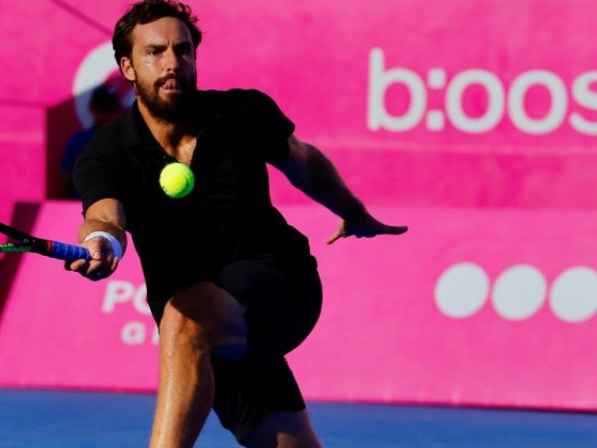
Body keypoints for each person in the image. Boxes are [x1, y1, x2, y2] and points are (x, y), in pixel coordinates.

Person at [67, 1, 408, 447]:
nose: (172, 63)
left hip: (281, 283)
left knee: (182, 318)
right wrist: (101, 242)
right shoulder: (106, 152)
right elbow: (105, 216)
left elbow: (304, 163)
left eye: (182, 50)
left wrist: (354, 213)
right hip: (206, 335)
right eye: (155, 53)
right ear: (128, 67)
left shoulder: (242, 113)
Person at [60, 84, 125, 198]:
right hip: (80, 210)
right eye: (103, 109)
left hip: (119, 212)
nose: (108, 115)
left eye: (112, 110)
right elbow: (66, 183)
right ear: (92, 108)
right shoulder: (77, 142)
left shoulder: (128, 142)